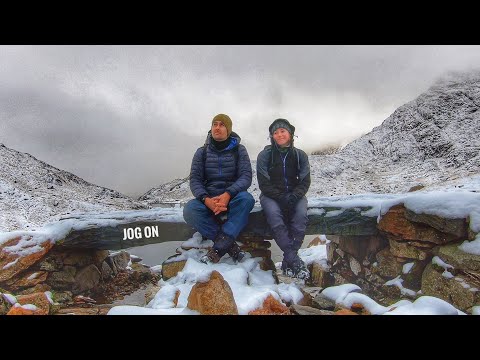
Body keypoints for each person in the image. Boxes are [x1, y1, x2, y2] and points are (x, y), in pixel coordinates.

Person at [183, 114, 255, 264]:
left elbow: (246, 176)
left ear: (228, 130)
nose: (217, 127)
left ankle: (218, 249)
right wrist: (205, 199)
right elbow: (195, 180)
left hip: (233, 197)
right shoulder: (201, 152)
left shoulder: (239, 150)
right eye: (214, 124)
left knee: (247, 200)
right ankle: (228, 244)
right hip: (209, 199)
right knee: (190, 210)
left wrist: (228, 194)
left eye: (222, 125)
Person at [256, 118, 311, 280]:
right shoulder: (264, 156)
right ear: (272, 136)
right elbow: (263, 183)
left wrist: (294, 196)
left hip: (296, 195)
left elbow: (305, 181)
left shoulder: (300, 155)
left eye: (282, 131)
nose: (279, 135)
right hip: (270, 196)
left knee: (300, 217)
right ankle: (295, 261)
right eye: (275, 132)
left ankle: (289, 259)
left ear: (290, 134)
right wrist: (280, 197)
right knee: (275, 218)